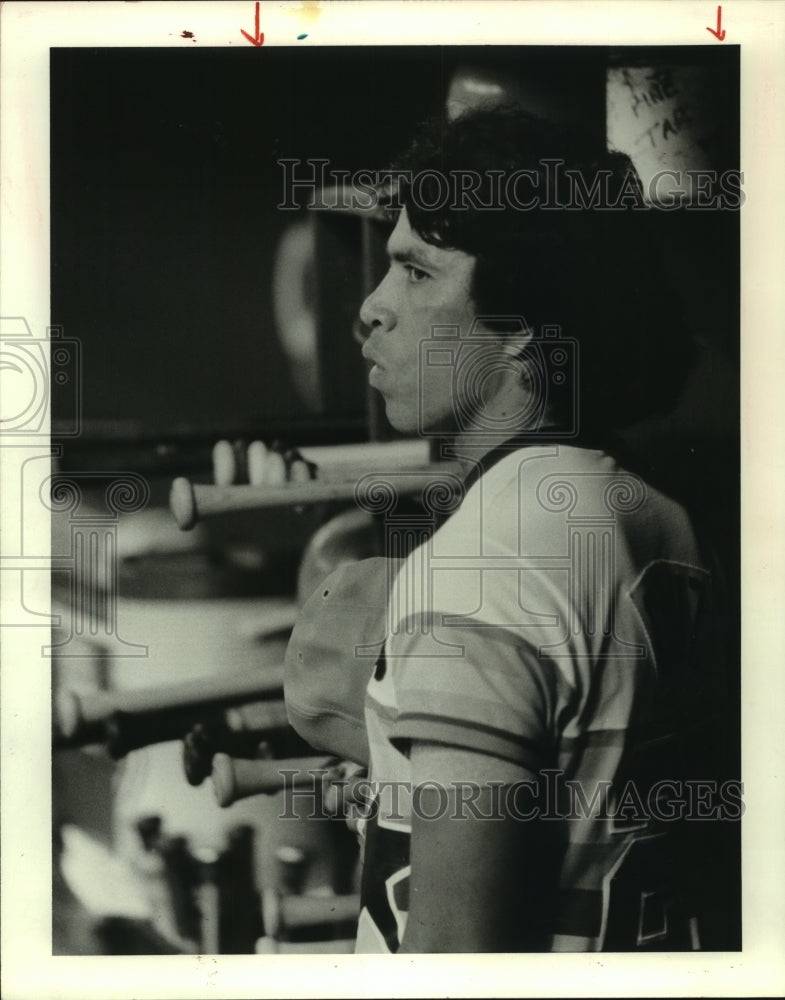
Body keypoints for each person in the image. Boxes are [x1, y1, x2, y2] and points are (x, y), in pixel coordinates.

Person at [290, 107, 738, 953]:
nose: (370, 309)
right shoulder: (664, 520)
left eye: (417, 274)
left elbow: (457, 958)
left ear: (522, 321)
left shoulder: (479, 570)